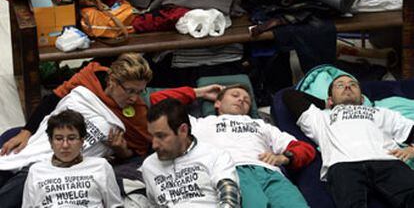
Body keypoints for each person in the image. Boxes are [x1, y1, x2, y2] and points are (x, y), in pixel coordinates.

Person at [0, 52, 219, 207]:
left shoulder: (138, 112)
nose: (134, 98)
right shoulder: (89, 78)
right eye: (130, 91)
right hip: (43, 141)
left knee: (19, 185)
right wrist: (26, 132)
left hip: (64, 164)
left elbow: (140, 152)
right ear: (112, 80)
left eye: (139, 92)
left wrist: (121, 150)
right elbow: (54, 98)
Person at [155, 84, 316, 208]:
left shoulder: (261, 125)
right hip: (231, 171)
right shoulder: (200, 124)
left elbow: (305, 149)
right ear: (217, 103)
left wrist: (285, 157)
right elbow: (158, 100)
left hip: (271, 173)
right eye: (235, 95)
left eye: (246, 100)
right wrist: (200, 92)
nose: (241, 100)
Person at [283, 74, 414, 208]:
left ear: (362, 98)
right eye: (340, 85)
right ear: (330, 100)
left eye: (353, 85)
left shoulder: (381, 113)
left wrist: (412, 148)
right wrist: (327, 104)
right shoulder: (320, 117)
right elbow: (289, 95)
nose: (347, 86)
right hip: (344, 166)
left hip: (387, 161)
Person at [142, 99, 241, 207]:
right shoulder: (149, 166)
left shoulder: (214, 155)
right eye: (152, 136)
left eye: (161, 136)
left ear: (183, 130)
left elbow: (230, 198)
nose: (154, 145)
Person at [22, 109, 123, 207]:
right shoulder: (36, 170)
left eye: (71, 138)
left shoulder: (101, 166)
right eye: (59, 139)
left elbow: (115, 205)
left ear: (82, 141)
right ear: (51, 142)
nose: (65, 145)